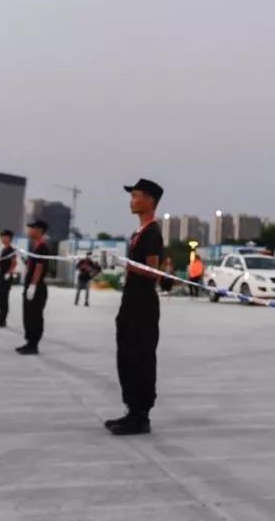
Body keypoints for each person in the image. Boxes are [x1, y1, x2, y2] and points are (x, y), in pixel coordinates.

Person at [105, 179, 165, 435]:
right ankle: (131, 410)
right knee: (127, 355)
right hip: (130, 301)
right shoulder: (138, 233)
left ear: (150, 200)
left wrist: (124, 263)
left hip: (143, 304)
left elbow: (153, 273)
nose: (132, 201)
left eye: (136, 196)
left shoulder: (151, 233)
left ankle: (141, 416)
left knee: (140, 356)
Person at [17, 221, 50, 355]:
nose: (29, 230)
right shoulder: (35, 246)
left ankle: (33, 345)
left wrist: (33, 285)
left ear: (40, 230)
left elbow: (39, 268)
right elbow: (33, 265)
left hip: (36, 287)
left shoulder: (42, 247)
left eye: (32, 228)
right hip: (31, 285)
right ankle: (29, 342)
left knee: (35, 316)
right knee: (28, 315)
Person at [0, 230, 17, 328]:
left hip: (6, 278)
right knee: (0, 299)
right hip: (1, 276)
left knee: (3, 299)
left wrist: (9, 273)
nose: (2, 238)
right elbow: (4, 263)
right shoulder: (4, 249)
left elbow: (14, 263)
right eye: (1, 237)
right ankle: (1, 319)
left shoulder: (11, 249)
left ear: (9, 238)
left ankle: (2, 321)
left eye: (4, 237)